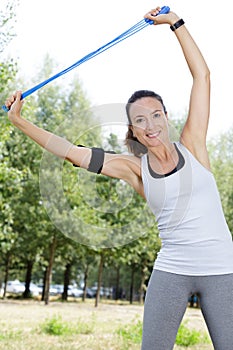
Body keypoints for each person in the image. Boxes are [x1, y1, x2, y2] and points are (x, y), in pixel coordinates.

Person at [5, 6, 233, 350]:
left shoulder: (194, 145)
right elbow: (70, 151)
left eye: (156, 115)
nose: (151, 124)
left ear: (167, 117)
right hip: (171, 271)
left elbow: (203, 76)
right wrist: (19, 121)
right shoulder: (133, 169)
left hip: (223, 270)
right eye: (140, 120)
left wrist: (176, 24)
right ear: (133, 130)